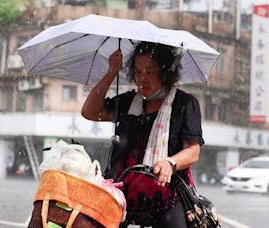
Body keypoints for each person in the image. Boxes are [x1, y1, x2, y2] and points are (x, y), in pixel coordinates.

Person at [81, 42, 204, 228]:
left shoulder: (185, 104)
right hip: (122, 189)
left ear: (166, 73)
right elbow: (90, 111)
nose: (142, 78)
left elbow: (193, 151)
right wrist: (111, 72)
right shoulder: (129, 102)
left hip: (166, 192)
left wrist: (169, 163)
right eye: (138, 72)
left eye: (150, 72)